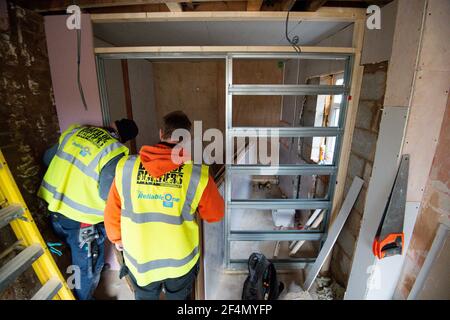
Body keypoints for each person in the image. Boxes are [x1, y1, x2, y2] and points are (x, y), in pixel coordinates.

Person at [104, 111, 224, 300]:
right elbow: (215, 214)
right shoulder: (197, 174)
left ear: (161, 134)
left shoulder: (126, 167)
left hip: (140, 259)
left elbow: (112, 211)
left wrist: (117, 238)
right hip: (180, 262)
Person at [38, 119, 139, 300]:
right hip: (82, 221)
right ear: (124, 139)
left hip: (53, 210)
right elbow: (108, 195)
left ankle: (79, 282)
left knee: (77, 259)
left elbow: (47, 158)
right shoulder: (113, 152)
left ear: (113, 125)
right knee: (88, 268)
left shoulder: (75, 131)